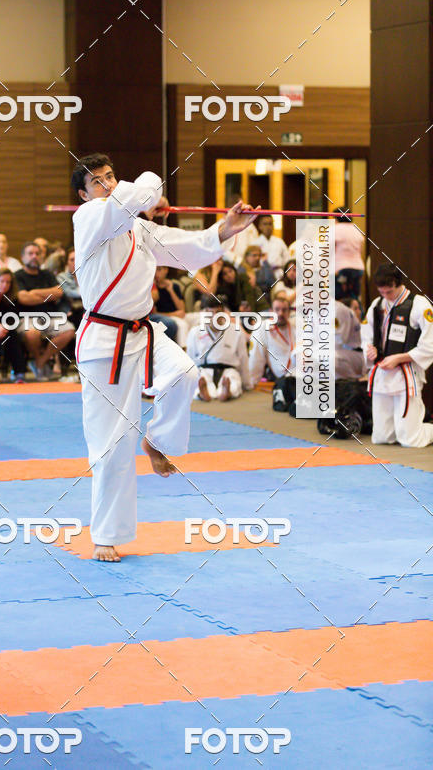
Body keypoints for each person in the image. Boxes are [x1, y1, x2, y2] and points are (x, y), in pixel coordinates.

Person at [71, 152, 259, 561]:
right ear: (84, 195)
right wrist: (149, 192)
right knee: (111, 443)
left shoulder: (139, 228)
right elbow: (135, 193)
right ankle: (106, 535)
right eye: (97, 182)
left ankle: (158, 440)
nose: (106, 184)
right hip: (104, 342)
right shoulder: (88, 219)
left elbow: (184, 248)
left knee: (185, 374)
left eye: (109, 176)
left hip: (142, 331)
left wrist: (224, 230)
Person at [361, 262, 433, 447]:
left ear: (399, 284)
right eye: (382, 292)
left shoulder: (419, 305)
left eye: (390, 292)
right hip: (383, 373)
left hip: (407, 372)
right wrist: (370, 349)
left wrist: (400, 358)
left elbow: (429, 344)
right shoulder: (377, 305)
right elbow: (366, 335)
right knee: (381, 438)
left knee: (410, 440)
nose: (386, 296)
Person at [15, 242, 75, 378]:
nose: (34, 256)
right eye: (30, 254)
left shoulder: (47, 274)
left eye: (37, 253)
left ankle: (40, 362)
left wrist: (34, 293)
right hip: (26, 317)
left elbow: (59, 292)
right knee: (32, 333)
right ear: (22, 257)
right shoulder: (17, 276)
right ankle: (39, 360)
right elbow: (23, 298)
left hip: (50, 317)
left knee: (69, 330)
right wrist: (48, 296)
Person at [187, 295, 251, 401]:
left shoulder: (236, 331)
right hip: (205, 369)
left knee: (233, 379)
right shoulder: (195, 332)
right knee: (200, 379)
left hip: (228, 368)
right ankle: (203, 392)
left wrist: (247, 383)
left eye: (217, 313)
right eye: (210, 313)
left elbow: (243, 359)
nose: (214, 317)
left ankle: (227, 391)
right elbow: (190, 360)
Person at [248, 294, 296, 409]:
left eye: (284, 310)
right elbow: (256, 357)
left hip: (297, 374)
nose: (280, 313)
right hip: (280, 377)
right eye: (277, 310)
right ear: (271, 311)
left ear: (289, 312)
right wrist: (252, 383)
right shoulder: (262, 327)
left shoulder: (296, 327)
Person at [334, 207, 364, 303]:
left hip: (341, 268)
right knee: (355, 297)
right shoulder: (356, 230)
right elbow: (360, 250)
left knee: (339, 298)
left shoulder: (335, 229)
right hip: (358, 268)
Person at [335, 298, 366, 379]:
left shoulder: (341, 311)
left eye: (359, 308)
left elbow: (339, 340)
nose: (359, 312)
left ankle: (354, 384)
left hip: (358, 356)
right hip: (349, 354)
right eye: (355, 308)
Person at [57, 246, 84, 329]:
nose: (75, 262)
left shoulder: (86, 276)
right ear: (66, 263)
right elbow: (69, 293)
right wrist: (86, 292)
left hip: (85, 311)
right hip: (68, 312)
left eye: (77, 259)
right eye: (72, 260)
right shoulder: (61, 277)